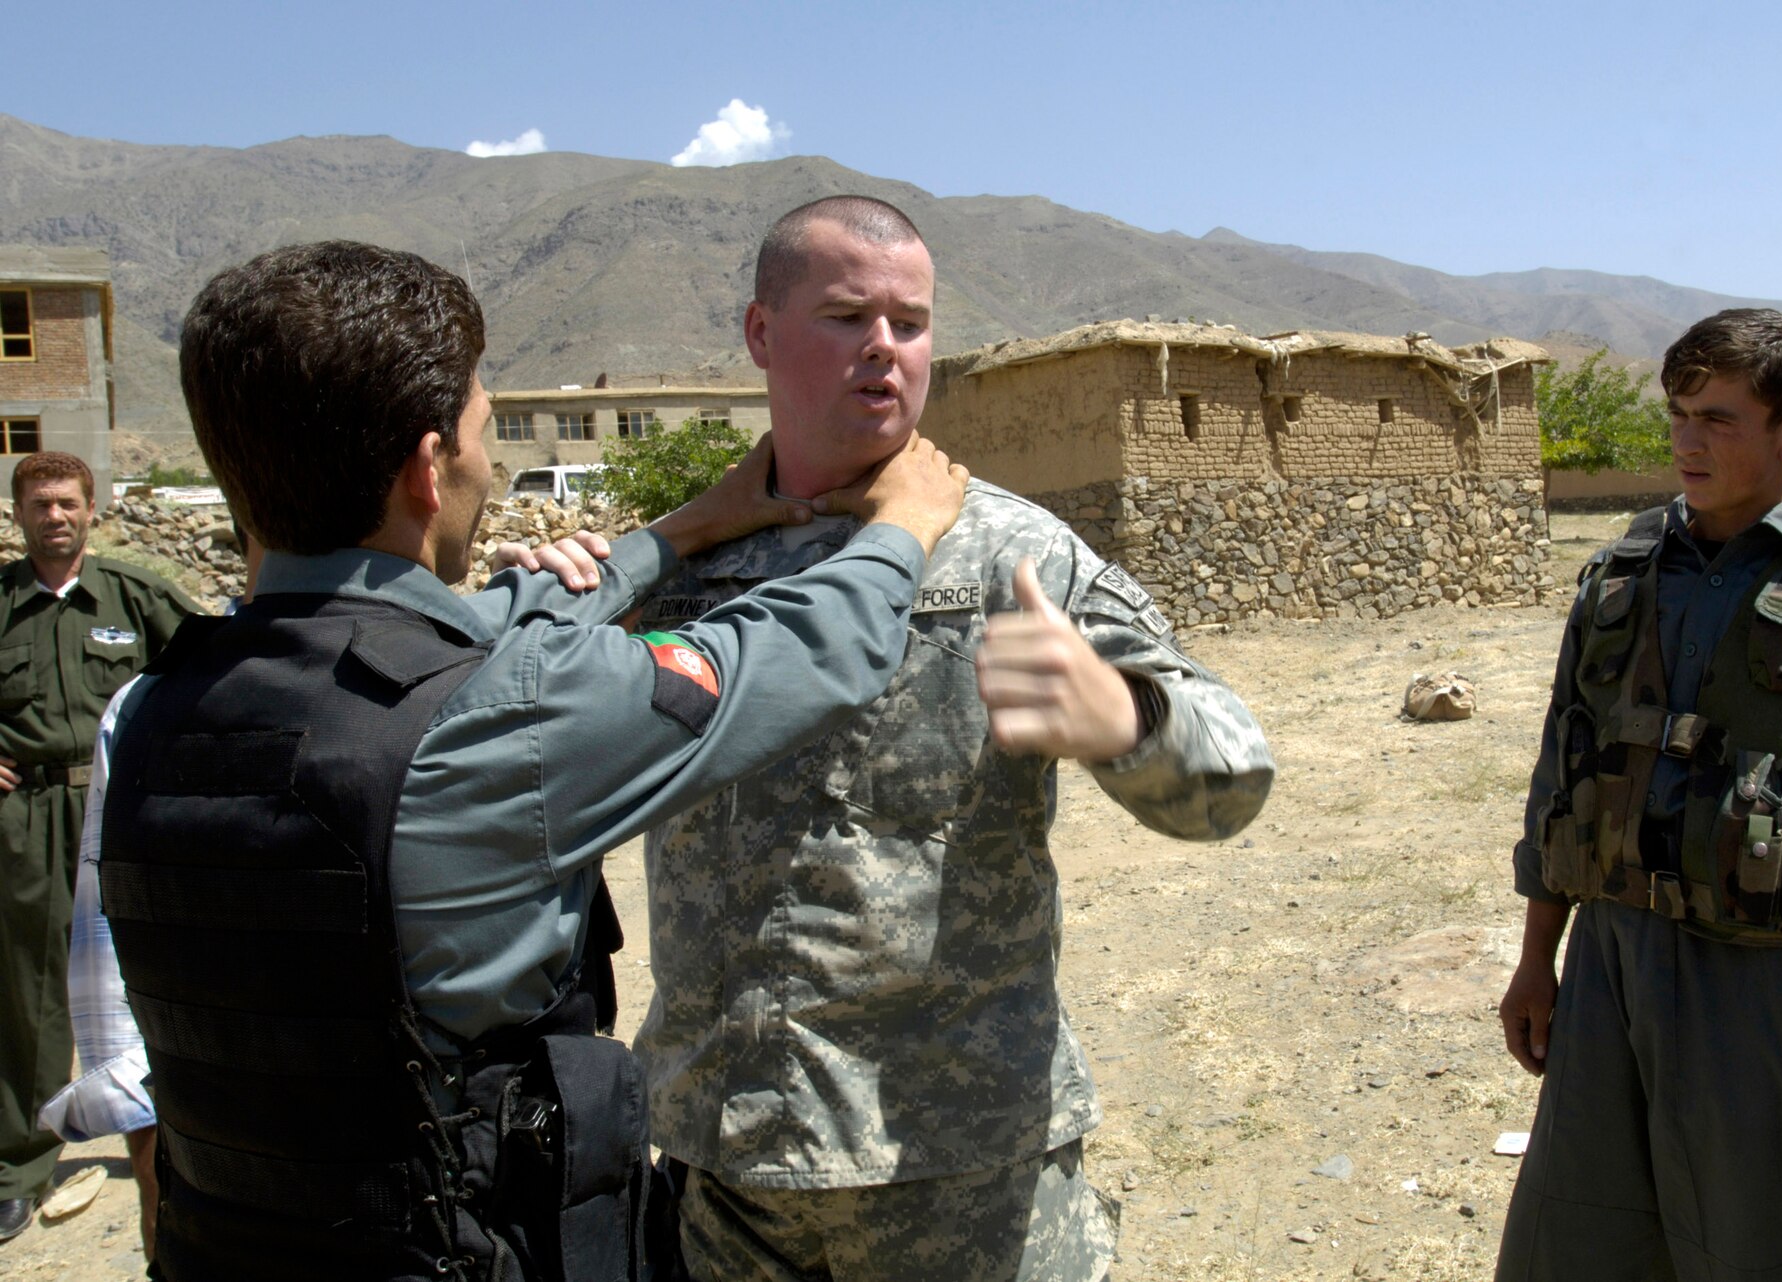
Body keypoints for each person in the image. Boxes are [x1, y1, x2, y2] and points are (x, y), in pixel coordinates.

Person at [94, 239, 969, 1281]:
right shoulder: (488, 725)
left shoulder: (149, 712)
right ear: (428, 469)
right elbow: (791, 652)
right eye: (476, 434)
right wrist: (904, 527)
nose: (487, 466)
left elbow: (458, 630)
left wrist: (680, 530)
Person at [628, 197, 1274, 1282]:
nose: (885, 345)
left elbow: (1233, 770)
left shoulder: (1013, 555)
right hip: (725, 1159)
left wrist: (1124, 720)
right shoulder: (683, 564)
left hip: (954, 1163)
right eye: (844, 314)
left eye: (911, 320)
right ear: (758, 335)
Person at [1496, 309, 1782, 1281]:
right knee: (1578, 1243)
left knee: (1758, 1254)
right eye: (1676, 413)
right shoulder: (1616, 578)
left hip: (1766, 990)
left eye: (1715, 417)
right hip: (1608, 969)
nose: (1684, 439)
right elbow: (1562, 773)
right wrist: (1537, 957)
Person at [37, 532, 266, 1262]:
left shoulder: (454, 677)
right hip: (44, 811)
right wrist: (144, 1133)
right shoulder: (152, 705)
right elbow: (108, 942)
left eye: (68, 502)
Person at [0, 451, 200, 1244]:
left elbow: (209, 665)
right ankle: (20, 1166)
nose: (55, 515)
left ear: (93, 510)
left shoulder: (134, 596)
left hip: (122, 808)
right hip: (30, 818)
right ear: (18, 514)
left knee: (144, 981)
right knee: (28, 994)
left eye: (68, 502)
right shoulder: (3, 604)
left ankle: (160, 1145)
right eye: (39, 503)